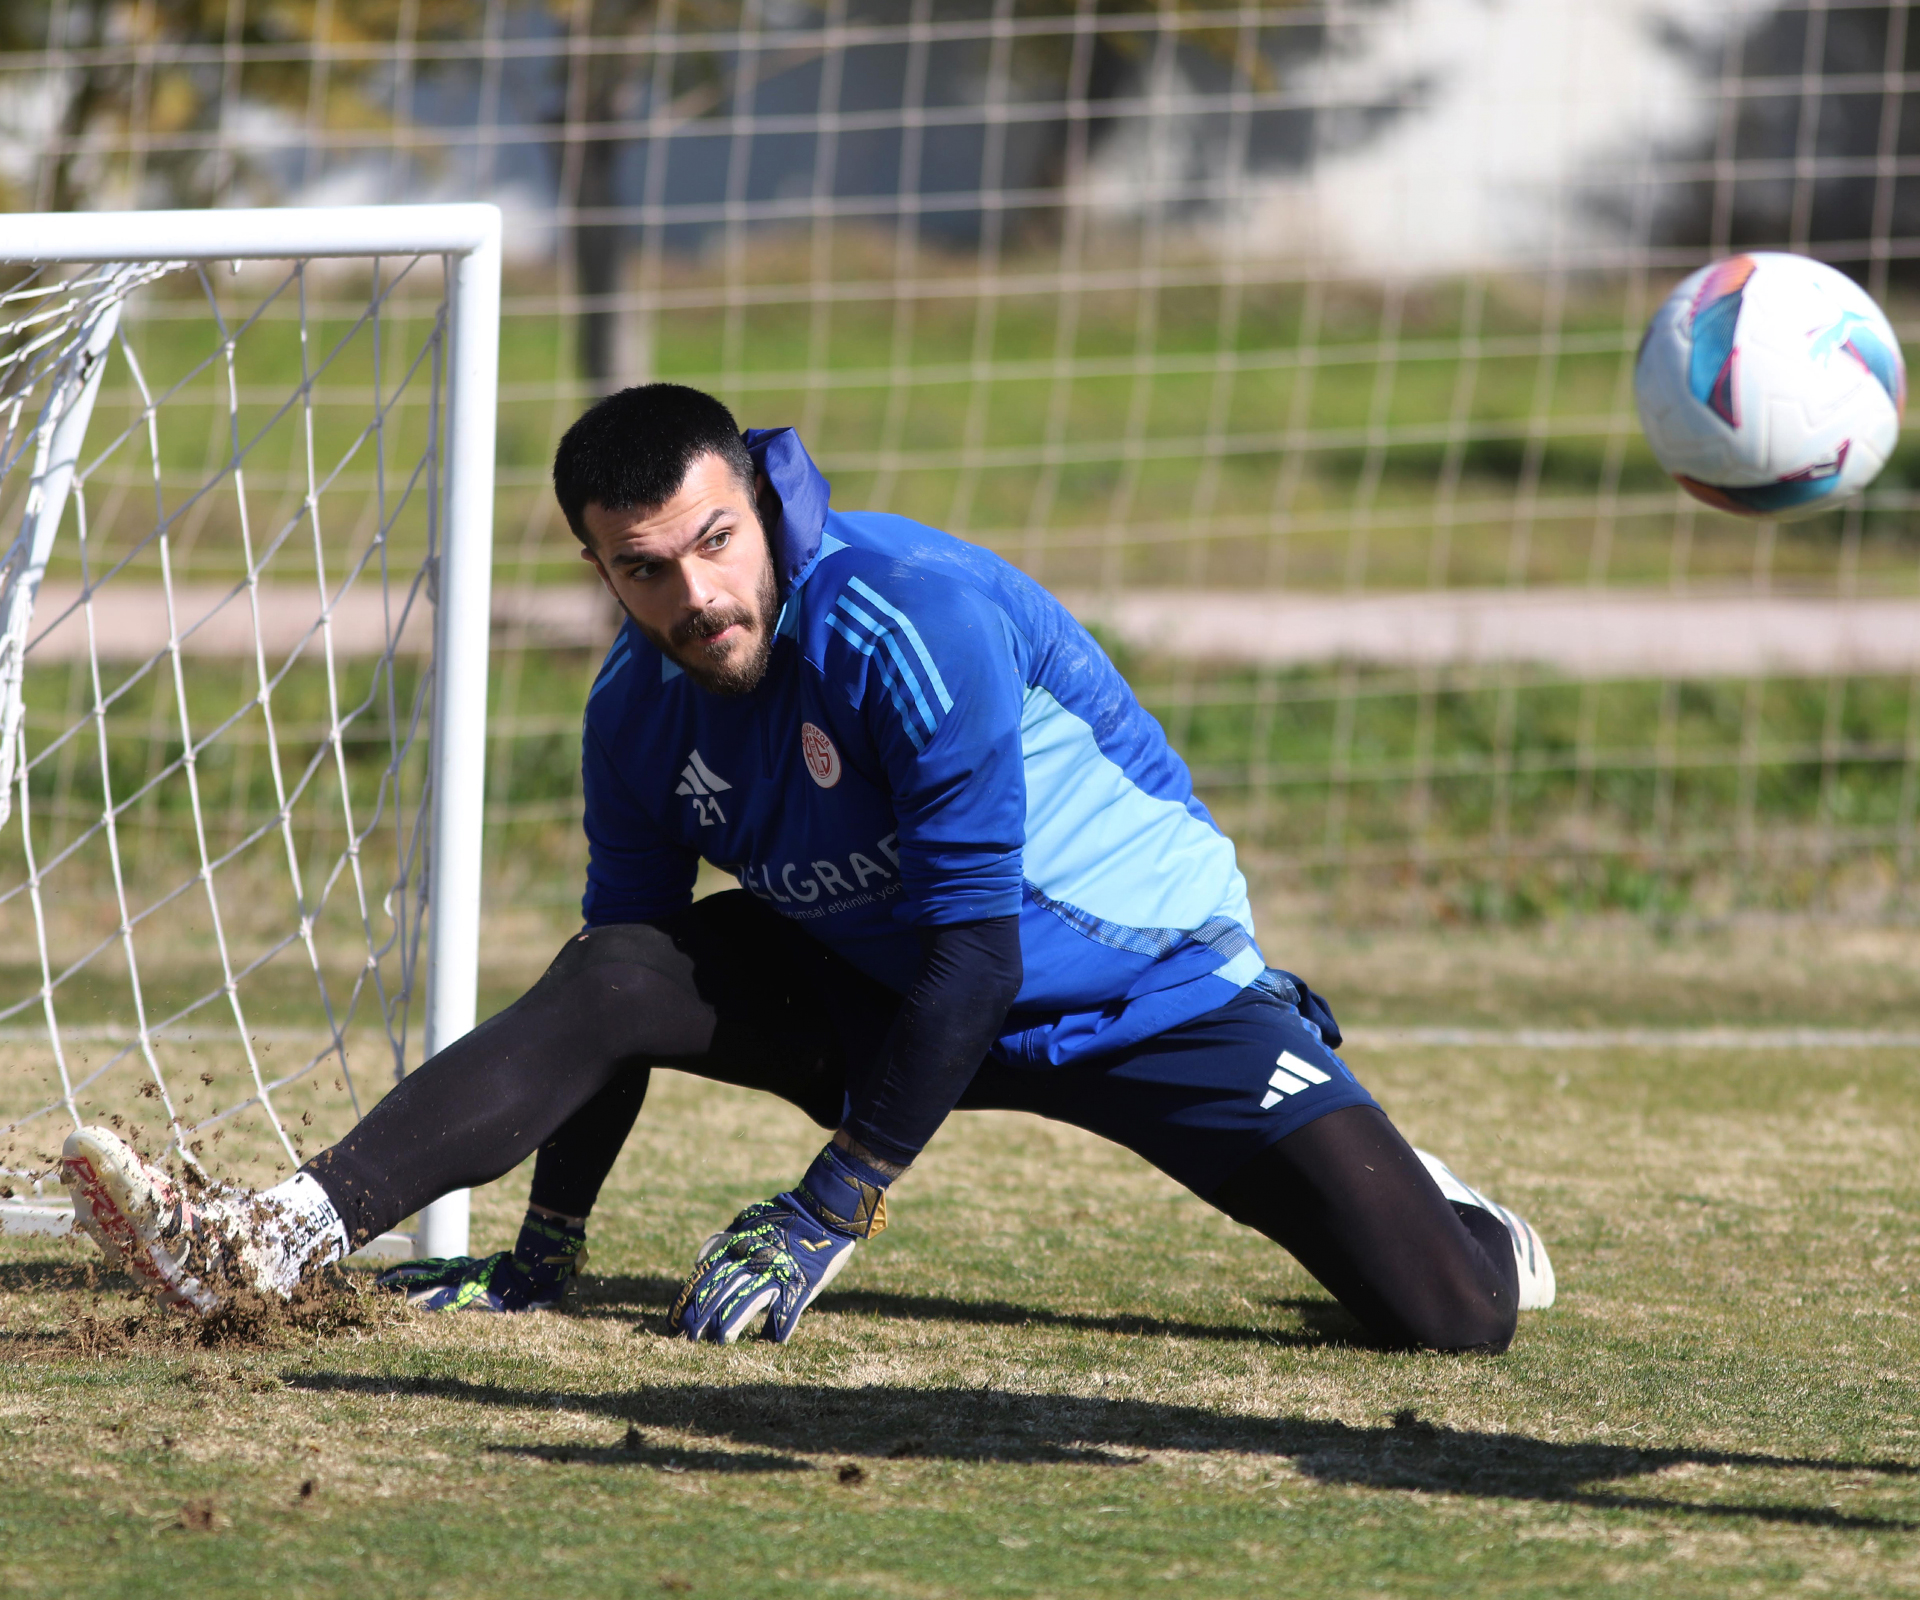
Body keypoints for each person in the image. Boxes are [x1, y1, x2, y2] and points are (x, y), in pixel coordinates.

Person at [58, 383, 1552, 1350]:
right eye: (645, 567)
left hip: (1144, 993)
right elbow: (615, 994)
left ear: (759, 503)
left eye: (715, 541)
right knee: (623, 961)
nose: (697, 593)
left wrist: (832, 1202)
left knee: (1450, 1319)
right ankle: (268, 1239)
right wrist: (547, 1255)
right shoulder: (633, 715)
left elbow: (986, 957)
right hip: (880, 995)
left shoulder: (911, 622)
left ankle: (1441, 1199)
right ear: (601, 571)